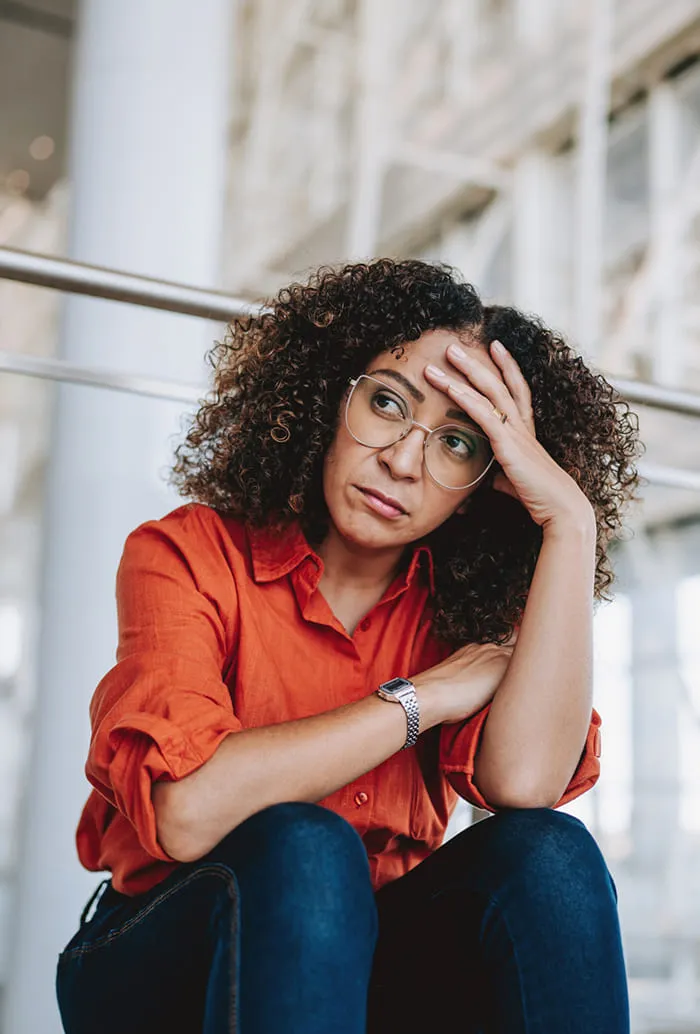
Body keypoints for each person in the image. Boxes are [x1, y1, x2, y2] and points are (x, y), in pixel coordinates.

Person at [56, 259, 640, 1034]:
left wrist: (569, 522)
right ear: (328, 396)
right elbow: (189, 811)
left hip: (359, 964)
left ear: (487, 481)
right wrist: (421, 700)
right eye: (388, 403)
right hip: (160, 953)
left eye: (459, 444)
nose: (403, 460)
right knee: (307, 847)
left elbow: (526, 782)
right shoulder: (190, 554)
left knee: (552, 856)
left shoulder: (467, 613)